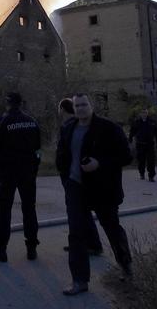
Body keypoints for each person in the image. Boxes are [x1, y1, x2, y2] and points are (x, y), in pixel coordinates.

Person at [56, 93, 133, 296]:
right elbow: (62, 156)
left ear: (91, 106)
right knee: (76, 234)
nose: (80, 108)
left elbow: (126, 156)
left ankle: (126, 266)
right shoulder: (68, 128)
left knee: (112, 228)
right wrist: (67, 179)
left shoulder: (108, 128)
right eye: (77, 105)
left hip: (102, 188)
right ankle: (79, 280)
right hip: (76, 188)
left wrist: (100, 163)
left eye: (84, 105)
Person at [0, 92, 41, 262]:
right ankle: (31, 248)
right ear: (21, 104)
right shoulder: (32, 122)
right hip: (28, 173)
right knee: (29, 209)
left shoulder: (1, 121)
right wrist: (34, 168)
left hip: (8, 173)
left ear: (7, 103)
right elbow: (38, 149)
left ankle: (0, 249)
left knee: (4, 211)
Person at [58, 98, 103, 257]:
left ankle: (87, 244)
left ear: (62, 109)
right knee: (81, 211)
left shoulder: (70, 126)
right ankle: (86, 243)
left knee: (78, 212)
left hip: (74, 176)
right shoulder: (76, 124)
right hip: (76, 175)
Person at [129, 108, 157, 182]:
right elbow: (132, 132)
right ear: (140, 114)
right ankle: (142, 173)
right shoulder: (136, 122)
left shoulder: (152, 122)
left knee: (151, 161)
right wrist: (130, 139)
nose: (144, 114)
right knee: (141, 161)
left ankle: (151, 176)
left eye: (145, 112)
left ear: (147, 113)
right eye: (142, 113)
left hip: (150, 145)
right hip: (140, 144)